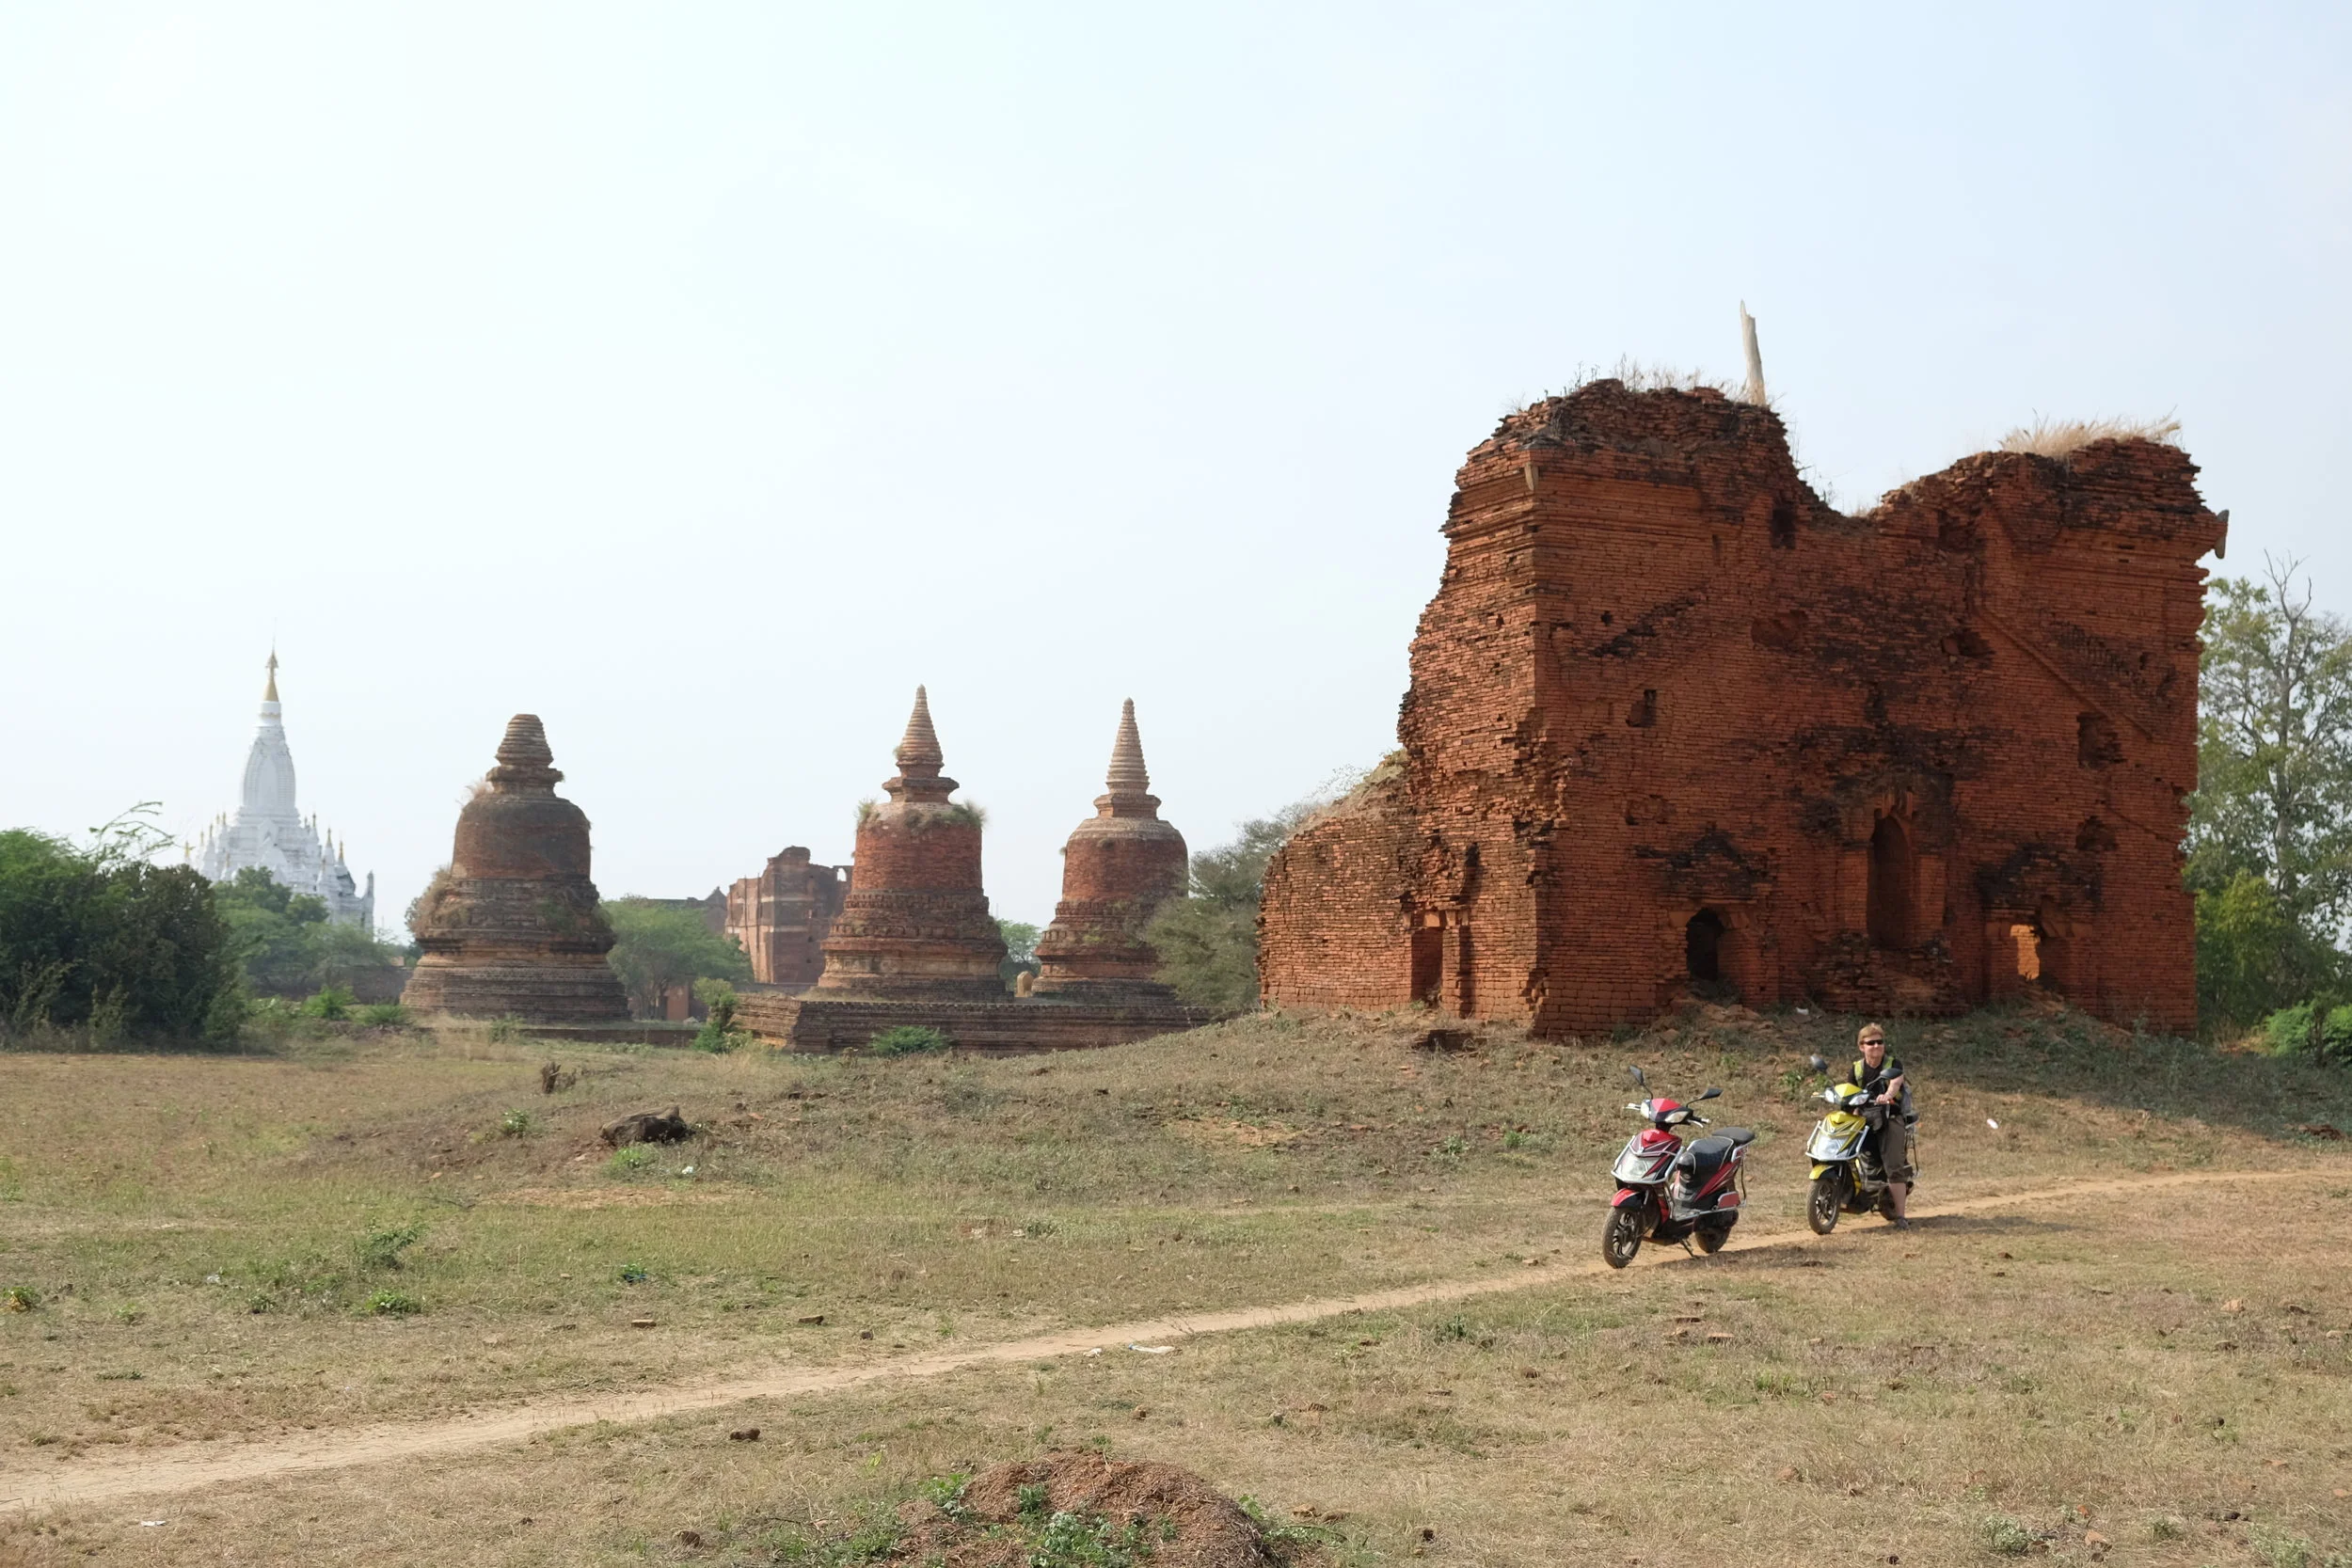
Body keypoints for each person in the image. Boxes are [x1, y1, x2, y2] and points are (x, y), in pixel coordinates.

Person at [1852, 1022, 1914, 1227]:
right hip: (1865, 1119)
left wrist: (1887, 1095)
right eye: (1871, 1043)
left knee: (1893, 1167)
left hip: (1889, 1117)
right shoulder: (1857, 1068)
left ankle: (1901, 1217)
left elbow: (1896, 1082)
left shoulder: (1892, 1064)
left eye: (1880, 1042)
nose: (1876, 1046)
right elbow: (1850, 1092)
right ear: (1862, 1046)